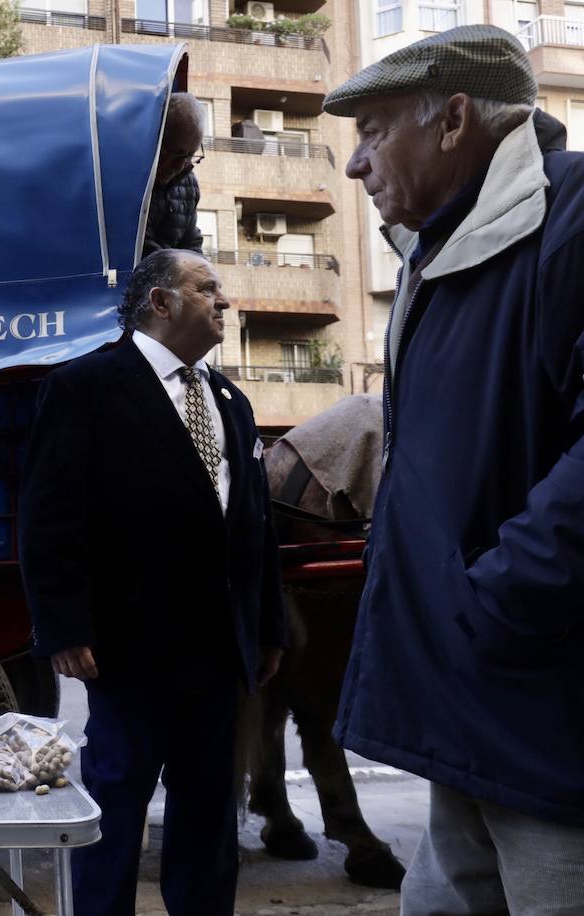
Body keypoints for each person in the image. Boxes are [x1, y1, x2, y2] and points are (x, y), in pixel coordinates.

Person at [323, 24, 584, 912]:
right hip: (466, 702)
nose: (355, 166)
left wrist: (500, 597)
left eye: (372, 131)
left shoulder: (574, 218)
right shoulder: (443, 252)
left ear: (454, 120)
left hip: (551, 725)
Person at [18, 248, 285, 915]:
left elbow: (255, 526)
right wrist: (64, 626)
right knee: (114, 809)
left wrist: (268, 625)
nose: (224, 301)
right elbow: (51, 516)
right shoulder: (87, 387)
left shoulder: (230, 400)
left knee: (208, 821)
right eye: (208, 289)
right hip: (129, 650)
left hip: (221, 654)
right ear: (160, 302)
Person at [141, 92, 207, 256]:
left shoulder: (189, 184)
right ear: (157, 139)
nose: (179, 165)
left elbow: (191, 241)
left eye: (190, 156)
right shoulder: (132, 178)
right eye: (176, 153)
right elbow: (141, 249)